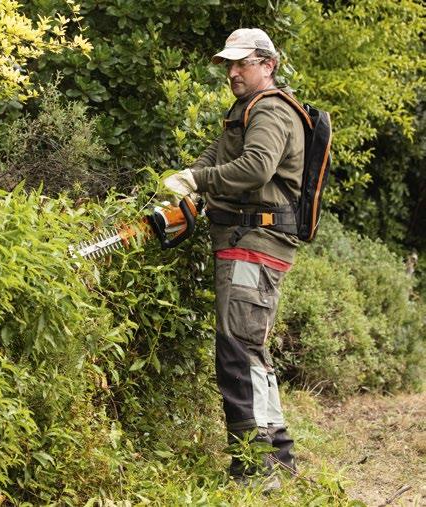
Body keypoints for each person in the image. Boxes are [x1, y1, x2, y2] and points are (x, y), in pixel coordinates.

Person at [162, 28, 302, 487]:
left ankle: (254, 470)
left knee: (237, 353)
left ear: (268, 64)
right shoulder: (245, 111)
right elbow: (218, 159)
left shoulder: (272, 110)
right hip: (245, 239)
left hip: (256, 241)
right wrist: (189, 182)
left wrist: (199, 182)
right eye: (229, 64)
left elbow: (257, 168)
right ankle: (276, 459)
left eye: (243, 63)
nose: (234, 72)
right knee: (250, 352)